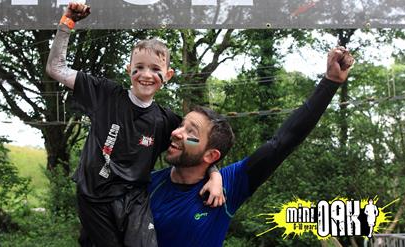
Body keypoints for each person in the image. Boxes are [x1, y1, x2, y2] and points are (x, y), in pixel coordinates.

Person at [45, 3, 224, 247]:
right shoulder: (105, 94)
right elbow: (55, 68)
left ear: (168, 75)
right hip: (94, 197)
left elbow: (195, 147)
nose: (145, 75)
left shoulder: (166, 121)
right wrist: (67, 22)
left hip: (135, 200)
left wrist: (215, 176)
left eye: (155, 69)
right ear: (129, 70)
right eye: (138, 67)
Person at [148, 47, 355, 246]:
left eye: (191, 132)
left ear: (211, 155)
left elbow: (282, 142)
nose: (176, 132)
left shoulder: (231, 185)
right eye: (181, 125)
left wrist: (331, 82)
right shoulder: (146, 184)